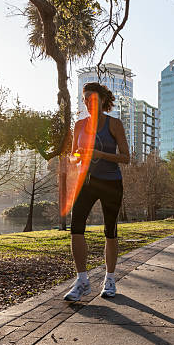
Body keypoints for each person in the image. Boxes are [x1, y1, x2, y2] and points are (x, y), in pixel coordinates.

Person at [64, 82, 130, 301]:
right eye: (84, 98)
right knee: (76, 228)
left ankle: (110, 280)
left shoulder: (114, 124)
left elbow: (126, 157)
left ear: (102, 99)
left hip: (111, 182)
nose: (87, 102)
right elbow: (74, 155)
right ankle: (82, 280)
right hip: (87, 181)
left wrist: (99, 153)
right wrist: (75, 157)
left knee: (110, 231)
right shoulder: (79, 126)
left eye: (91, 97)